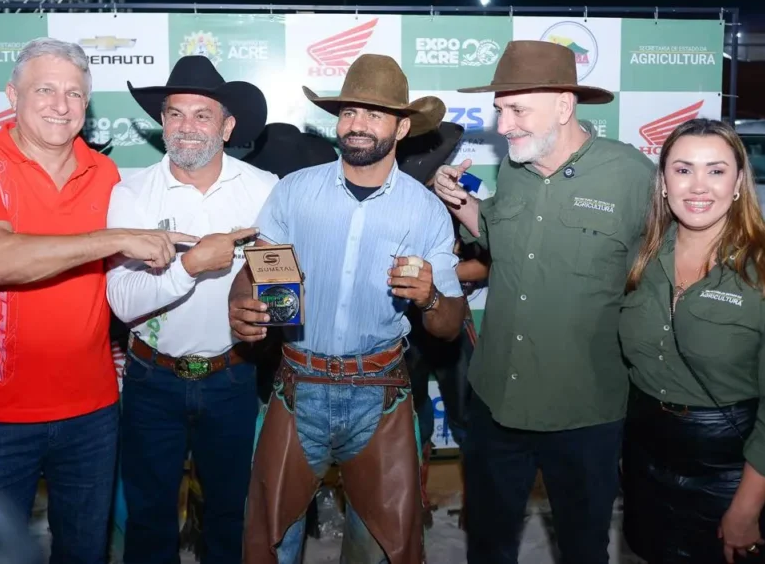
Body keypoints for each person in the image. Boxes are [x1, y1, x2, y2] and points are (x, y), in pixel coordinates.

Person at [0, 37, 196, 564]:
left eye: (75, 94)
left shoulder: (104, 175)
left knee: (84, 552)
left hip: (91, 411)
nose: (62, 105)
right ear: (12, 95)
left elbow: (131, 278)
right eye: (46, 90)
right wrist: (117, 238)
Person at [228, 53, 467, 564]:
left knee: (382, 547)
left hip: (378, 393)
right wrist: (242, 304)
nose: (357, 125)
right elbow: (258, 274)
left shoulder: (425, 211)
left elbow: (449, 326)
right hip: (298, 386)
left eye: (374, 114)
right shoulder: (295, 192)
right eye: (349, 112)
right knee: (268, 542)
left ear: (402, 127)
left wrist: (428, 296)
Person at [433, 40, 656, 564]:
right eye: (499, 111)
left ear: (563, 104)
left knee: (582, 548)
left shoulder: (633, 177)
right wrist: (462, 202)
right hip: (496, 403)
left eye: (516, 110)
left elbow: (664, 275)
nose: (504, 125)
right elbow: (497, 233)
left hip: (584, 412)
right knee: (488, 545)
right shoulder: (513, 167)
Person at [618, 118, 765, 564]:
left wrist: (746, 508)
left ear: (739, 182)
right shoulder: (642, 258)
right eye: (683, 170)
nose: (698, 186)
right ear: (664, 181)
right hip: (646, 461)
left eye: (717, 170)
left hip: (731, 470)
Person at [106, 55, 277, 564]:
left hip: (232, 378)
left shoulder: (265, 189)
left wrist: (271, 315)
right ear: (162, 122)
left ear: (227, 126)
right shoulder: (131, 192)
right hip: (151, 380)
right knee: (149, 516)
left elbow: (278, 282)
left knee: (230, 514)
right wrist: (191, 266)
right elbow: (121, 299)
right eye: (175, 114)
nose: (187, 126)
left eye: (202, 115)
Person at [396, 119, 489, 527]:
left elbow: (488, 264)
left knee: (468, 419)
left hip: (453, 318)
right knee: (411, 422)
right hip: (403, 327)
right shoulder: (390, 196)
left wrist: (440, 276)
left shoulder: (464, 192)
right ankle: (414, 506)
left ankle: (477, 505)